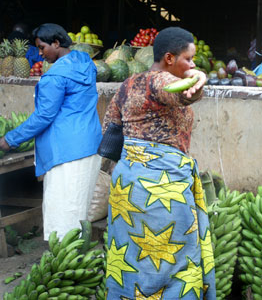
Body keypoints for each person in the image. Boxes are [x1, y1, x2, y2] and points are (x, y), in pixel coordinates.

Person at [102, 27, 215, 299]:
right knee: (172, 256)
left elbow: (110, 128)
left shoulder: (128, 84)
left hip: (128, 185)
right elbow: (184, 95)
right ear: (168, 58)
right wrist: (199, 78)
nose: (192, 64)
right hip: (162, 187)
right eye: (188, 59)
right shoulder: (161, 81)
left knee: (131, 256)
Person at [0, 23, 102, 241]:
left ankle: (63, 266)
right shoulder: (85, 63)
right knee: (79, 209)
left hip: (66, 152)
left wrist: (9, 140)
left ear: (57, 43)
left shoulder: (55, 77)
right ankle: (76, 261)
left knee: (63, 215)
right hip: (89, 146)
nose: (39, 54)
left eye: (42, 47)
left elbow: (44, 117)